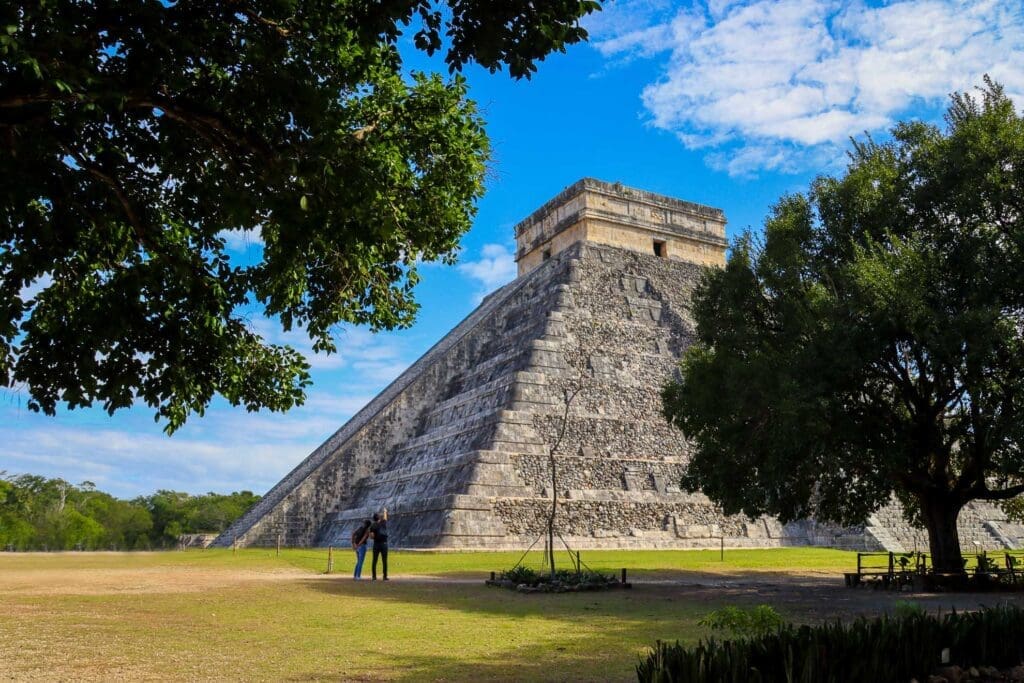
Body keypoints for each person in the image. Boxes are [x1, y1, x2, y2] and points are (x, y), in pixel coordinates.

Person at [370, 508, 389, 581]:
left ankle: (374, 576)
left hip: (376, 544)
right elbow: (385, 517)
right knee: (384, 560)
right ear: (379, 518)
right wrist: (385, 511)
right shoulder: (383, 523)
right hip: (384, 543)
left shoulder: (372, 526)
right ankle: (385, 576)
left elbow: (372, 536)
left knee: (374, 560)